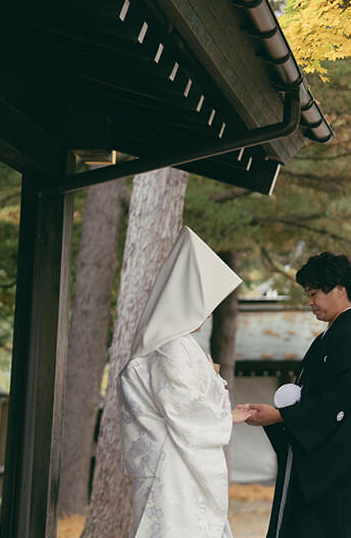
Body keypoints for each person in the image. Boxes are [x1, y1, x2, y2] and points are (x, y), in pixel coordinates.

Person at [120, 227, 249, 538]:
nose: (205, 314)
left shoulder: (168, 343)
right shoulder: (173, 346)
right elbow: (183, 407)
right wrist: (227, 416)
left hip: (170, 465)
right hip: (174, 469)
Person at [243, 252, 351, 538]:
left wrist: (282, 416)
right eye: (308, 294)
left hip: (337, 468)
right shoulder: (330, 337)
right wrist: (282, 416)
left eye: (315, 293)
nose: (310, 302)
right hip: (319, 461)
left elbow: (336, 404)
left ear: (340, 290)